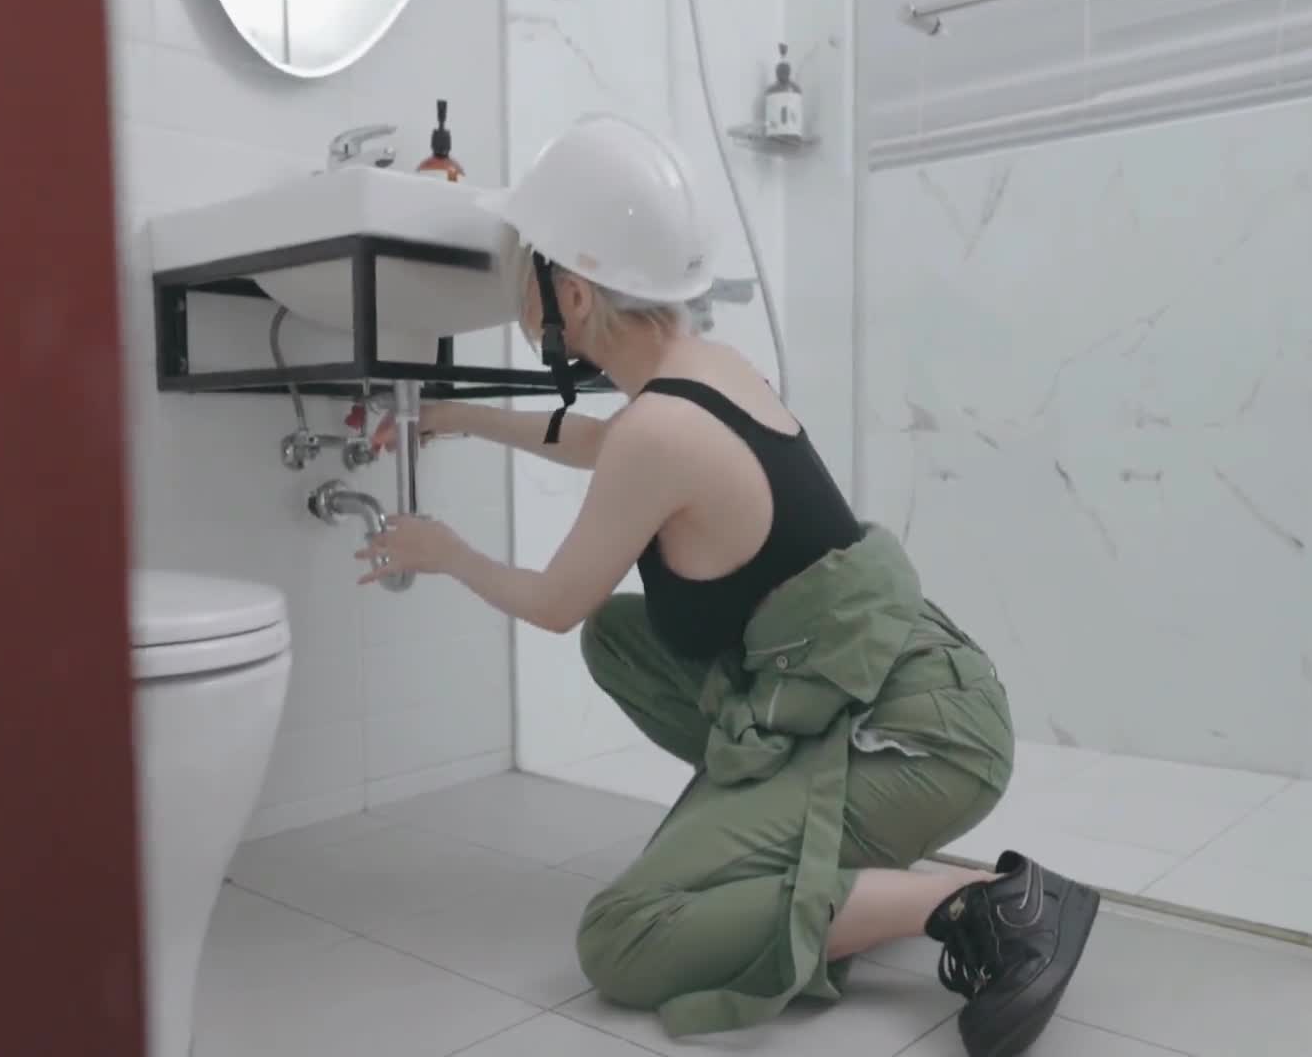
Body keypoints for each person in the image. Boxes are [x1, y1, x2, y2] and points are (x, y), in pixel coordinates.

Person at [357, 113, 1098, 1057]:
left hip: (918, 739)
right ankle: (781, 843)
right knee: (618, 637)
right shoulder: (705, 373)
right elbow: (608, 445)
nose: (523, 299)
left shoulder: (658, 431)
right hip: (902, 688)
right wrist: (459, 418)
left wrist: (444, 550)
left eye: (529, 275)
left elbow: (552, 603)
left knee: (624, 937)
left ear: (572, 294)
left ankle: (985, 904)